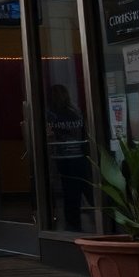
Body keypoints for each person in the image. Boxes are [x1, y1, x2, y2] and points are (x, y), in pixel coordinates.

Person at [46, 83, 90, 232]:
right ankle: (106, 221)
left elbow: (49, 134)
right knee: (81, 189)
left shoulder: (52, 114)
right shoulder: (76, 112)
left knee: (68, 191)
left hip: (63, 156)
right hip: (79, 155)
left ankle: (72, 224)